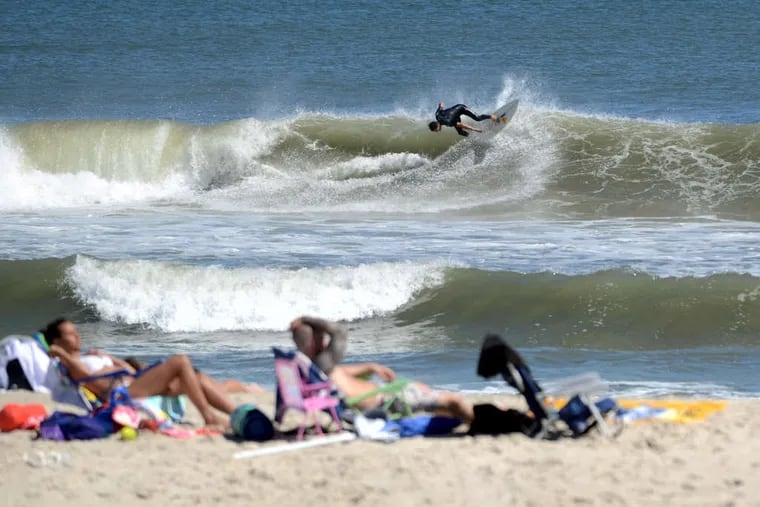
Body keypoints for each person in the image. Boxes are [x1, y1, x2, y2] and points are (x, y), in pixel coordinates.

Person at [42, 318, 235, 427]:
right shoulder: (70, 364)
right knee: (180, 361)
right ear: (57, 342)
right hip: (122, 393)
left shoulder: (89, 356)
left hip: (134, 382)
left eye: (76, 331)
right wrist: (61, 354)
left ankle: (236, 415)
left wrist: (109, 357)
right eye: (70, 333)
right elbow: (84, 376)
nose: (77, 335)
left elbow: (128, 369)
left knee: (195, 377)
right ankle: (209, 417)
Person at [289, 317, 474, 423]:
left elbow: (339, 374)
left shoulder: (310, 368)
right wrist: (306, 319)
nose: (325, 341)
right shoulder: (320, 362)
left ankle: (466, 419)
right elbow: (340, 332)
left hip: (385, 397)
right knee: (454, 401)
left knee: (426, 391)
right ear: (314, 342)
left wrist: (370, 367)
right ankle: (483, 424)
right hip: (386, 402)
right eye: (321, 337)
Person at [428, 102, 497, 137]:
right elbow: (441, 105)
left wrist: (474, 129)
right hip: (455, 116)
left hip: (462, 108)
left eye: (436, 130)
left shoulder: (448, 122)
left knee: (477, 118)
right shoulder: (437, 115)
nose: (437, 132)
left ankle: (492, 116)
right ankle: (472, 137)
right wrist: (441, 105)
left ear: (437, 126)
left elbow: (461, 125)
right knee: (460, 132)